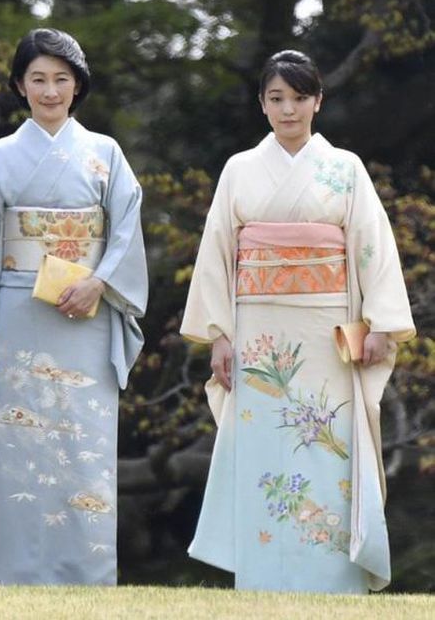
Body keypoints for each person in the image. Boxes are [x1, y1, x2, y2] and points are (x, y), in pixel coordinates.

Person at [181, 50, 415, 593]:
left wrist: (381, 323)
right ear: (262, 104)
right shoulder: (239, 169)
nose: (289, 109)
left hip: (326, 333)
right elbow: (217, 253)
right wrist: (219, 335)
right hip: (259, 331)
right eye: (277, 98)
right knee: (266, 446)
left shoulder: (345, 168)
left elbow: (372, 247)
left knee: (327, 442)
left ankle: (331, 575)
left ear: (318, 102)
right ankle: (264, 573)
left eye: (300, 97)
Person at [0, 28, 147, 585]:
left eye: (61, 79)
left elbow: (125, 229)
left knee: (85, 441)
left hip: (86, 311)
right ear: (20, 85)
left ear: (77, 85)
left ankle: (88, 572)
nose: (49, 91)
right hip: (19, 310)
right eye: (37, 79)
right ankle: (19, 572)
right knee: (23, 438)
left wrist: (99, 282)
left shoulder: (105, 153)